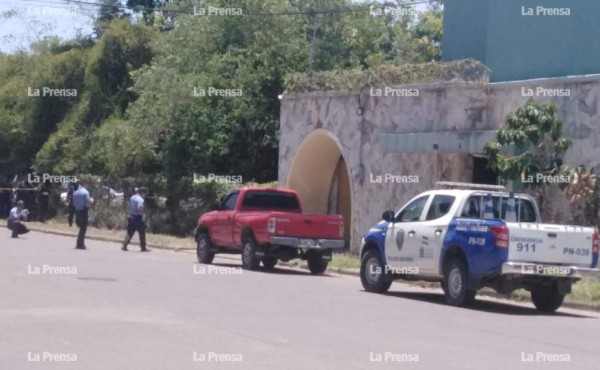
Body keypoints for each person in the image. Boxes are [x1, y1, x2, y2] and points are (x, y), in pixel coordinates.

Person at [122, 187, 150, 252]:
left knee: (129, 232)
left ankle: (124, 245)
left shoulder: (132, 197)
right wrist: (143, 215)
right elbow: (139, 209)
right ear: (142, 193)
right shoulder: (140, 200)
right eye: (145, 194)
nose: (145, 195)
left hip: (131, 216)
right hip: (138, 218)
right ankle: (143, 247)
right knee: (142, 232)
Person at [73, 180, 93, 250]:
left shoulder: (75, 193)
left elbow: (74, 203)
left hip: (77, 211)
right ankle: (80, 244)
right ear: (84, 184)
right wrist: (92, 200)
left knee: (81, 228)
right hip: (83, 211)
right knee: (83, 228)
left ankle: (79, 243)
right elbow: (88, 200)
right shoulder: (85, 192)